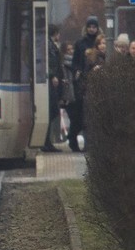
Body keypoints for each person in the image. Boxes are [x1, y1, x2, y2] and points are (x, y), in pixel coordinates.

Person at [68, 16, 101, 152]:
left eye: (94, 27)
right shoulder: (81, 43)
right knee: (80, 115)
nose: (92, 29)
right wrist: (77, 71)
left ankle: (90, 143)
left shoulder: (99, 42)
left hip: (97, 81)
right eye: (90, 27)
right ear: (86, 28)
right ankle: (73, 140)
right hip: (83, 82)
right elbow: (75, 61)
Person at [42, 24, 66, 152]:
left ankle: (46, 141)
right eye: (58, 33)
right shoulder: (49, 45)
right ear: (55, 33)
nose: (59, 36)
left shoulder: (50, 45)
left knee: (53, 111)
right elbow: (48, 62)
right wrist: (52, 76)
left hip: (53, 82)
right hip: (50, 83)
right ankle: (45, 142)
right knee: (52, 111)